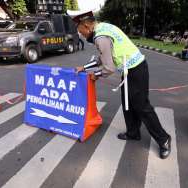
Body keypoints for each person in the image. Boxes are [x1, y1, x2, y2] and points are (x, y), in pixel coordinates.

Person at [69, 10, 171, 159]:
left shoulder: (100, 37)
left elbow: (109, 68)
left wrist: (95, 75)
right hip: (128, 69)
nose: (82, 36)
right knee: (127, 103)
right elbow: (103, 57)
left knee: (142, 107)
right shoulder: (104, 26)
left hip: (136, 70)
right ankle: (133, 132)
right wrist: (84, 68)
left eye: (81, 32)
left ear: (86, 25)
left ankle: (164, 139)